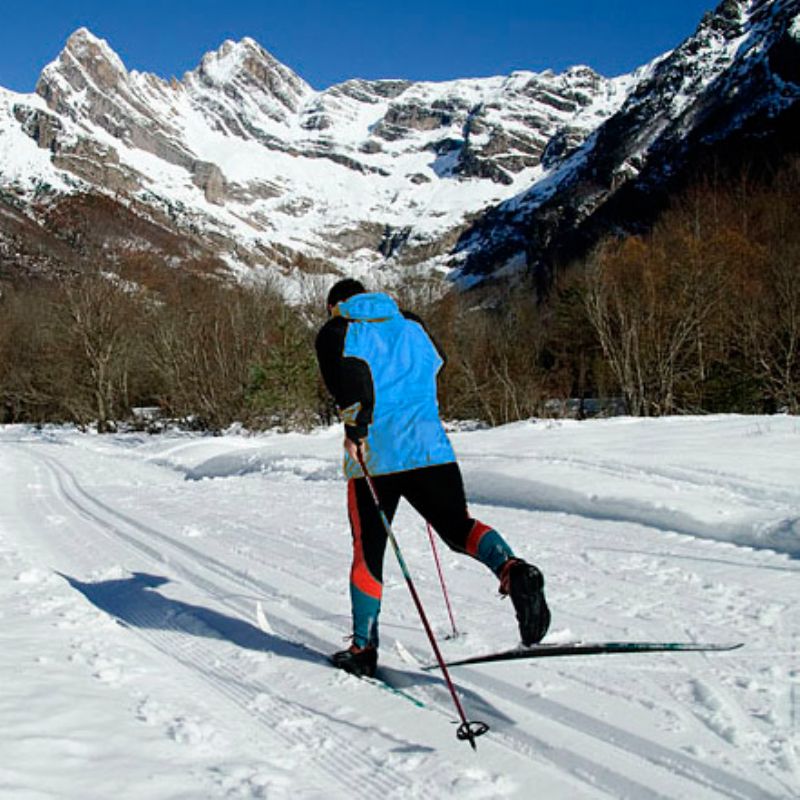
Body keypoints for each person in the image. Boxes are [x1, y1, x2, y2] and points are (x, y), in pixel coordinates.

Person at [315, 278, 550, 677]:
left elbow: (353, 382)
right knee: (459, 527)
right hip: (430, 448)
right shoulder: (411, 323)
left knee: (368, 551)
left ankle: (362, 648)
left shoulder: (336, 330)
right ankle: (512, 569)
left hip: (377, 456)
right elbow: (437, 360)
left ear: (336, 304)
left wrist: (355, 431)